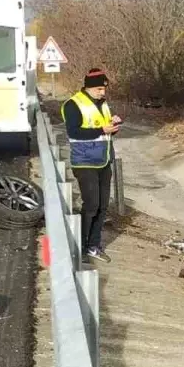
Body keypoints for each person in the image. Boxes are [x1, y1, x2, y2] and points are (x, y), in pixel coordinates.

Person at [62, 68, 122, 264]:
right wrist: (101, 129)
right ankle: (80, 246)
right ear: (88, 87)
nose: (102, 92)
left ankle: (94, 246)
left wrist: (112, 127)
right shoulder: (73, 105)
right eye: (98, 89)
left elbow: (104, 132)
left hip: (103, 160)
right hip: (84, 161)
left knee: (103, 207)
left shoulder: (103, 105)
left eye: (104, 89)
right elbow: (74, 133)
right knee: (91, 206)